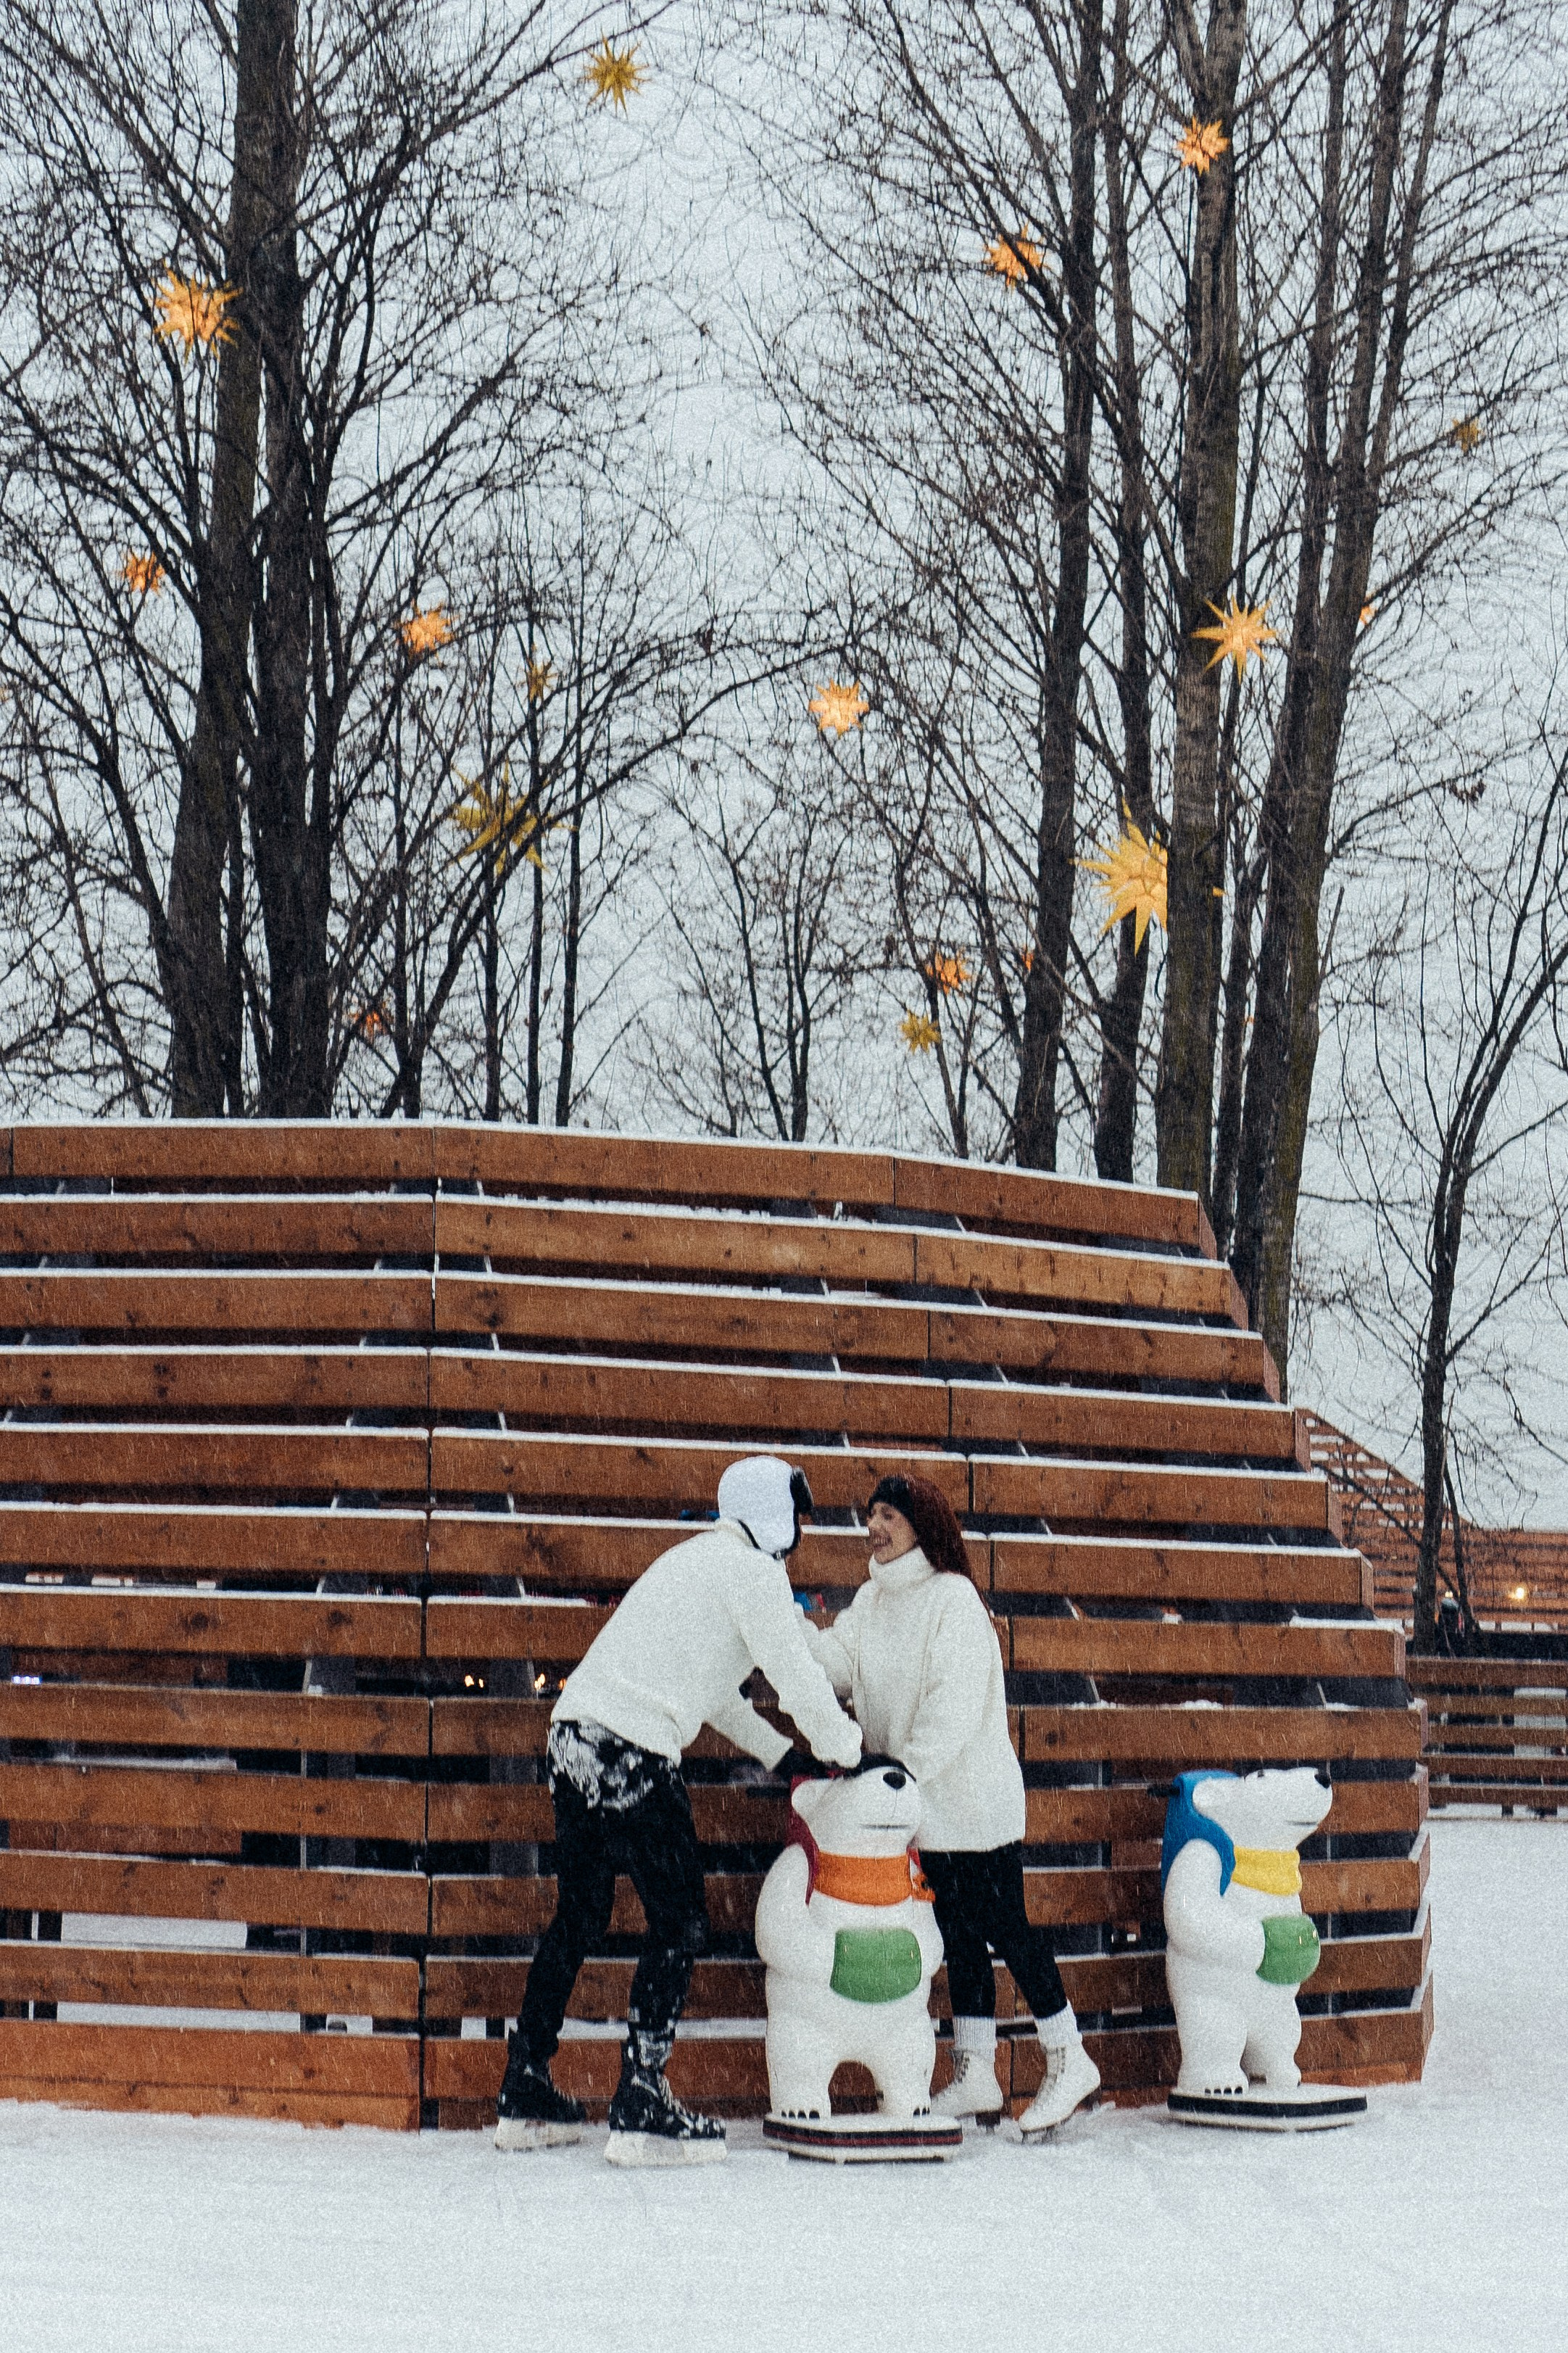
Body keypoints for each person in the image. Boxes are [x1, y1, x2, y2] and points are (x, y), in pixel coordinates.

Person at [494, 1454, 863, 2166]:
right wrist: (847, 1750)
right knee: (680, 1917)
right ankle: (641, 2098)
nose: (802, 1528)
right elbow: (798, 1678)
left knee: (580, 1914)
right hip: (633, 1746)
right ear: (773, 1512)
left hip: (575, 1736)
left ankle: (525, 2084)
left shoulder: (695, 1560)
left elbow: (715, 1691)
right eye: (799, 1511)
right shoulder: (756, 1572)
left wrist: (786, 1758)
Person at [799, 1471, 1101, 2135]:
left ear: (919, 1527)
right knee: (960, 1937)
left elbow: (953, 1706)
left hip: (974, 1801)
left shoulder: (953, 1599)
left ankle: (1067, 2055)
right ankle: (976, 2072)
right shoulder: (873, 1600)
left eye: (888, 1516)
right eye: (871, 1514)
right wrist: (785, 1631)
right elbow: (835, 1661)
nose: (874, 1526)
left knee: (1005, 1928)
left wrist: (901, 1771)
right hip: (921, 1810)